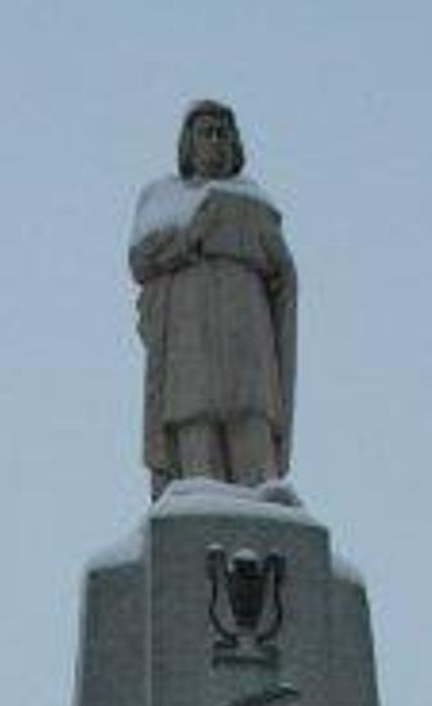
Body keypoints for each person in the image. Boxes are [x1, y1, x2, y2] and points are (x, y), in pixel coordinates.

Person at [130, 99, 297, 496]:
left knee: (251, 432)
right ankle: (195, 500)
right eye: (207, 133)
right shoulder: (163, 200)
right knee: (194, 431)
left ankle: (261, 502)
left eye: (224, 134)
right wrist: (190, 239)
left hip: (247, 341)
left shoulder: (255, 204)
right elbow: (141, 260)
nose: (216, 141)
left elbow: (283, 276)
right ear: (188, 144)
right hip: (187, 343)